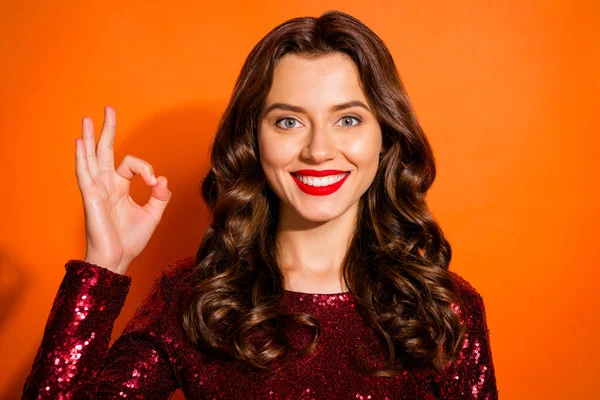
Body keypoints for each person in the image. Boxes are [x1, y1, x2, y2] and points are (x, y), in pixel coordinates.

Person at [22, 10, 498, 399]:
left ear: (385, 137)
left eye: (348, 119)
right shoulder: (195, 299)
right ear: (253, 139)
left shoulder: (443, 309)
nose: (318, 150)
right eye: (288, 122)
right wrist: (104, 265)